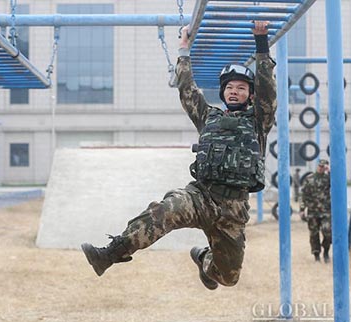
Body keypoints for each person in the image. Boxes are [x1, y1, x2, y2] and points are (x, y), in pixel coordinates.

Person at [81, 21, 276, 290]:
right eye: (230, 87)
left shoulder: (258, 122)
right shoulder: (208, 117)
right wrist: (184, 50)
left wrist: (262, 44)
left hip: (233, 208)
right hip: (201, 196)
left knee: (229, 277)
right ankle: (109, 254)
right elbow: (187, 90)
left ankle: (204, 261)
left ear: (250, 95)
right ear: (223, 92)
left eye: (242, 87)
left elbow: (268, 90)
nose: (235, 91)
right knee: (164, 210)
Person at [299, 159, 331, 263]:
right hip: (313, 211)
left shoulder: (328, 179)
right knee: (314, 234)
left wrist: (330, 172)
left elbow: (338, 182)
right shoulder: (310, 179)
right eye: (320, 166)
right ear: (317, 166)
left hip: (326, 211)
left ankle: (326, 251)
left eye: (323, 167)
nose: (321, 168)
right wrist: (302, 209)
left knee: (328, 232)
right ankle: (316, 254)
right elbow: (303, 195)